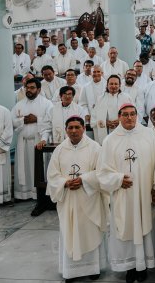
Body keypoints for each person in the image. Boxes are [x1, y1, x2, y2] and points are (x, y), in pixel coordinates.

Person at [98, 102, 155, 281]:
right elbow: (102, 171)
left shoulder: (149, 135)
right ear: (119, 117)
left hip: (144, 192)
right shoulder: (110, 140)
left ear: (137, 116)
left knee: (144, 227)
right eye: (125, 114)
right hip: (123, 194)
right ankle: (129, 267)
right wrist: (117, 180)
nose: (130, 117)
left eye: (133, 114)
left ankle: (143, 267)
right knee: (125, 227)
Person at [47, 116, 107, 282]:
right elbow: (52, 175)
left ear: (83, 128)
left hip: (89, 199)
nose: (73, 131)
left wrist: (83, 180)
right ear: (66, 130)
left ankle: (93, 268)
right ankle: (71, 271)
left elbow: (102, 172)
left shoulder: (95, 148)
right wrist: (65, 183)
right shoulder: (59, 150)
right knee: (69, 232)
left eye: (77, 127)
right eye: (70, 128)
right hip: (68, 200)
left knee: (90, 231)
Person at [12, 77, 54, 200]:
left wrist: (37, 119)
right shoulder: (19, 104)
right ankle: (24, 194)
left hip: (39, 142)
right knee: (24, 169)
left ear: (39, 89)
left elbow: (51, 121)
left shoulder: (47, 104)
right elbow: (12, 121)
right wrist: (23, 120)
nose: (29, 90)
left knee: (38, 169)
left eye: (32, 88)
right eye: (27, 88)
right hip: (23, 143)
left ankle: (39, 194)